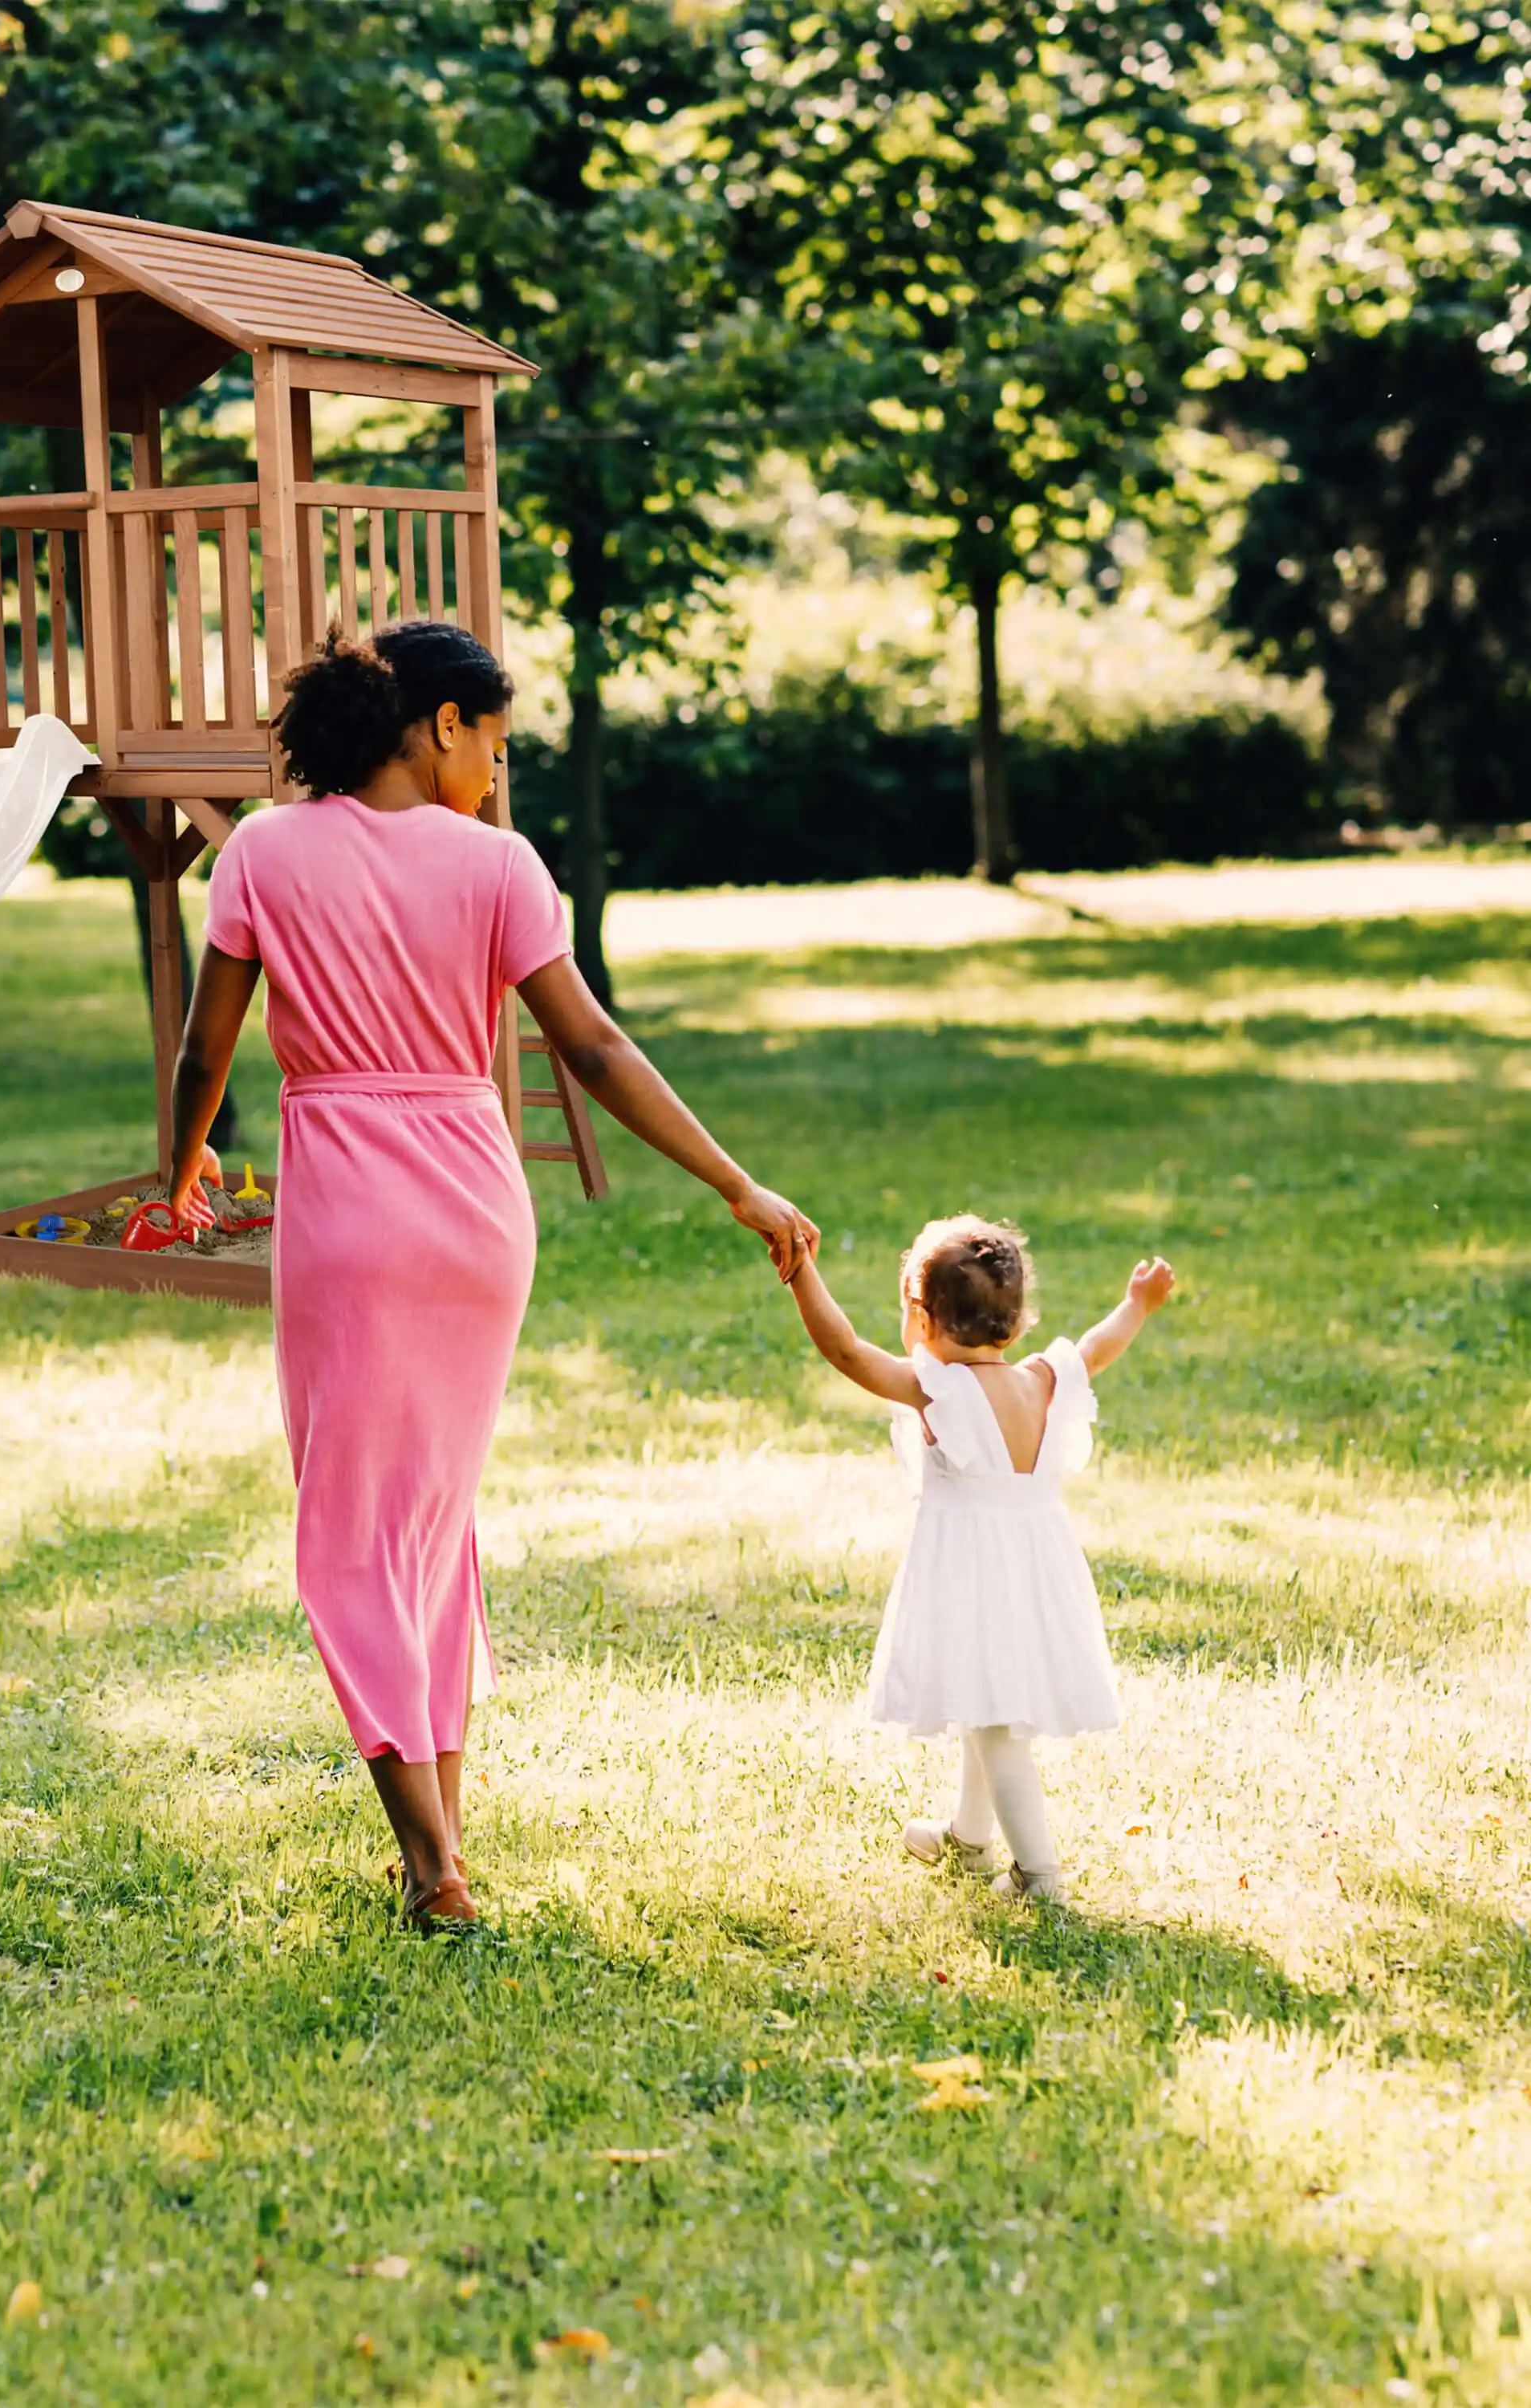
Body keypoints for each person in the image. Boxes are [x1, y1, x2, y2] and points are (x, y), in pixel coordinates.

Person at [164, 623, 817, 1929]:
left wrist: (177, 1169)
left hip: (348, 1214)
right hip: (475, 1214)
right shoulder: (502, 868)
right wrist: (735, 1181)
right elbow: (592, 1050)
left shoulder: (263, 852)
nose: (499, 777)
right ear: (439, 724)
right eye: (495, 746)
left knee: (353, 1534)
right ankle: (442, 1842)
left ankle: (429, 1864)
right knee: (428, 1525)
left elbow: (206, 1051)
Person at [784, 1214, 1176, 1902]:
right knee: (981, 1699)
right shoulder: (1044, 1379)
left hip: (973, 1575)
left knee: (996, 1727)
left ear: (922, 1318)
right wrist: (1136, 1305)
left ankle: (1039, 1876)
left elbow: (845, 1350)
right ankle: (968, 1839)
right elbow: (1097, 1346)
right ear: (1017, 1323)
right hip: (1036, 1571)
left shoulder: (939, 1391)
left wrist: (801, 1272)